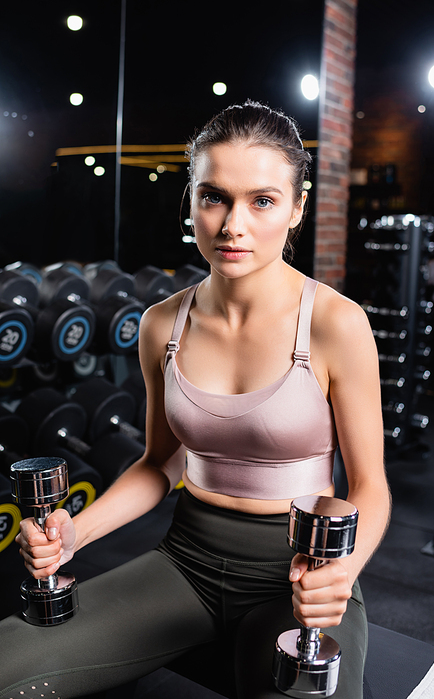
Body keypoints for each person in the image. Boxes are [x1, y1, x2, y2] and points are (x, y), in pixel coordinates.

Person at [0, 100, 390, 699]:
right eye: (214, 196)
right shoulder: (162, 324)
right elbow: (160, 465)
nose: (234, 224)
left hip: (296, 574)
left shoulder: (336, 324)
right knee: (9, 663)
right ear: (191, 201)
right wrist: (74, 532)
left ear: (296, 209)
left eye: (262, 200)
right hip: (185, 562)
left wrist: (341, 572)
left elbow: (369, 486)